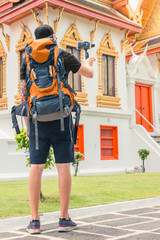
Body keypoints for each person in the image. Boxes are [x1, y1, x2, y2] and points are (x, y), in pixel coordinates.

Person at [20, 24, 94, 234]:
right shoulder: (62, 54)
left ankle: (34, 221)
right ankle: (63, 218)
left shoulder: (27, 59)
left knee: (36, 167)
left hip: (36, 121)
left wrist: (28, 127)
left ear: (35, 40)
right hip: (61, 119)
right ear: (53, 37)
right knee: (63, 167)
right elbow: (88, 74)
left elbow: (24, 95)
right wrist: (88, 61)